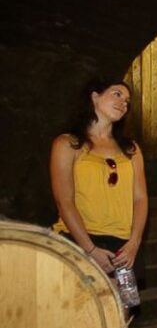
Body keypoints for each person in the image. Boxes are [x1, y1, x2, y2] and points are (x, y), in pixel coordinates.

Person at [50, 79, 148, 287]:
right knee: (82, 312)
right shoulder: (68, 143)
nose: (124, 103)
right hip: (80, 238)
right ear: (95, 97)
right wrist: (90, 249)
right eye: (117, 94)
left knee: (122, 313)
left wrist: (134, 243)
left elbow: (140, 198)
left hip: (123, 245)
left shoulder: (131, 149)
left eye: (127, 100)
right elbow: (64, 201)